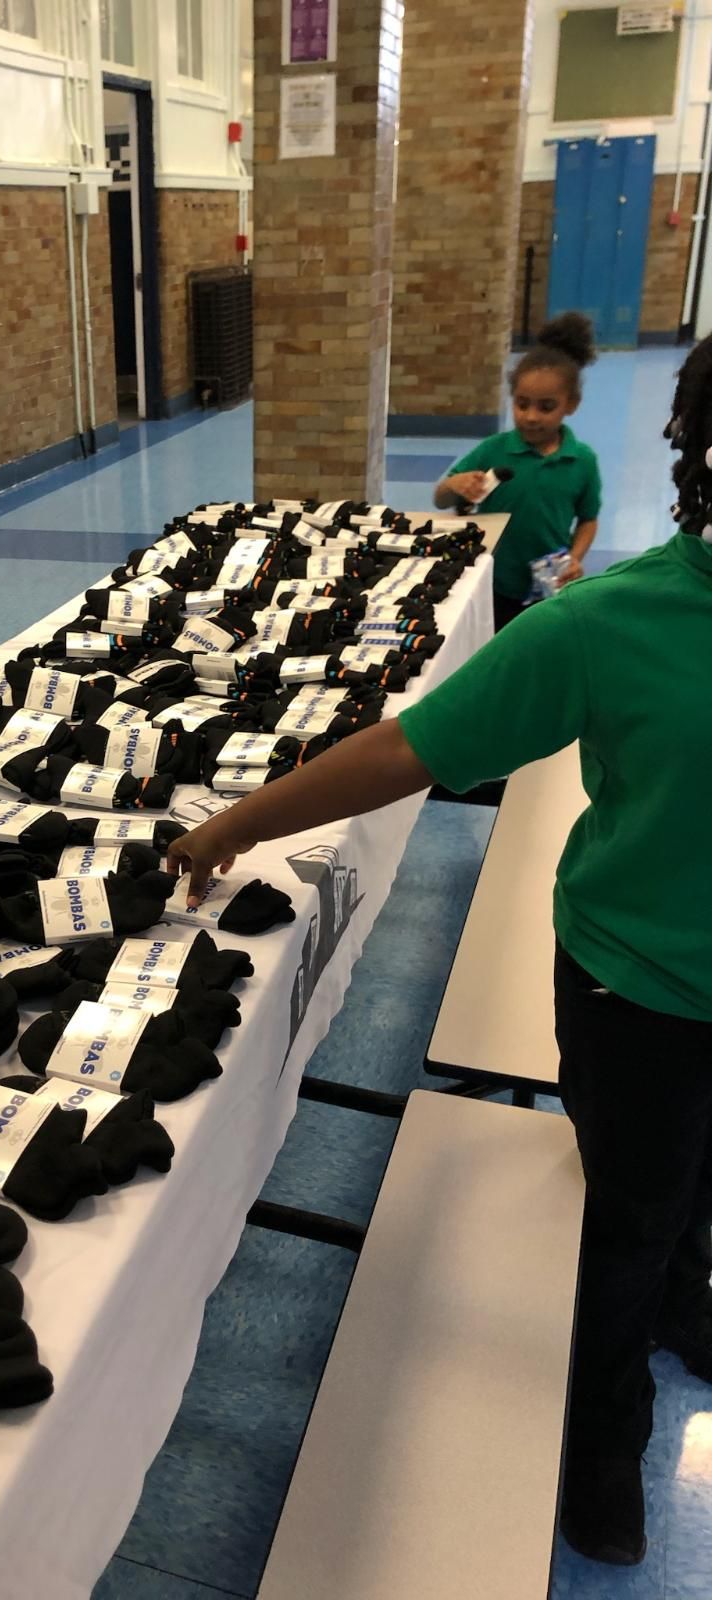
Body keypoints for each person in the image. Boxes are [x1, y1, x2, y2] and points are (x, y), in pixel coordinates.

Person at [167, 335, 712, 1569]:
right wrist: (239, 822)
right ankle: (605, 1425)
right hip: (640, 993)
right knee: (628, 1218)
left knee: (692, 1199)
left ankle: (687, 1293)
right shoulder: (614, 623)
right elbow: (413, 745)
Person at [435, 313, 602, 631]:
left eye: (546, 406)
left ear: (571, 404)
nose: (531, 416)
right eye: (522, 404)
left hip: (549, 588)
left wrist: (575, 558)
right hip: (491, 584)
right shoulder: (492, 450)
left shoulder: (582, 461)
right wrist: (455, 484)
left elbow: (588, 520)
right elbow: (441, 498)